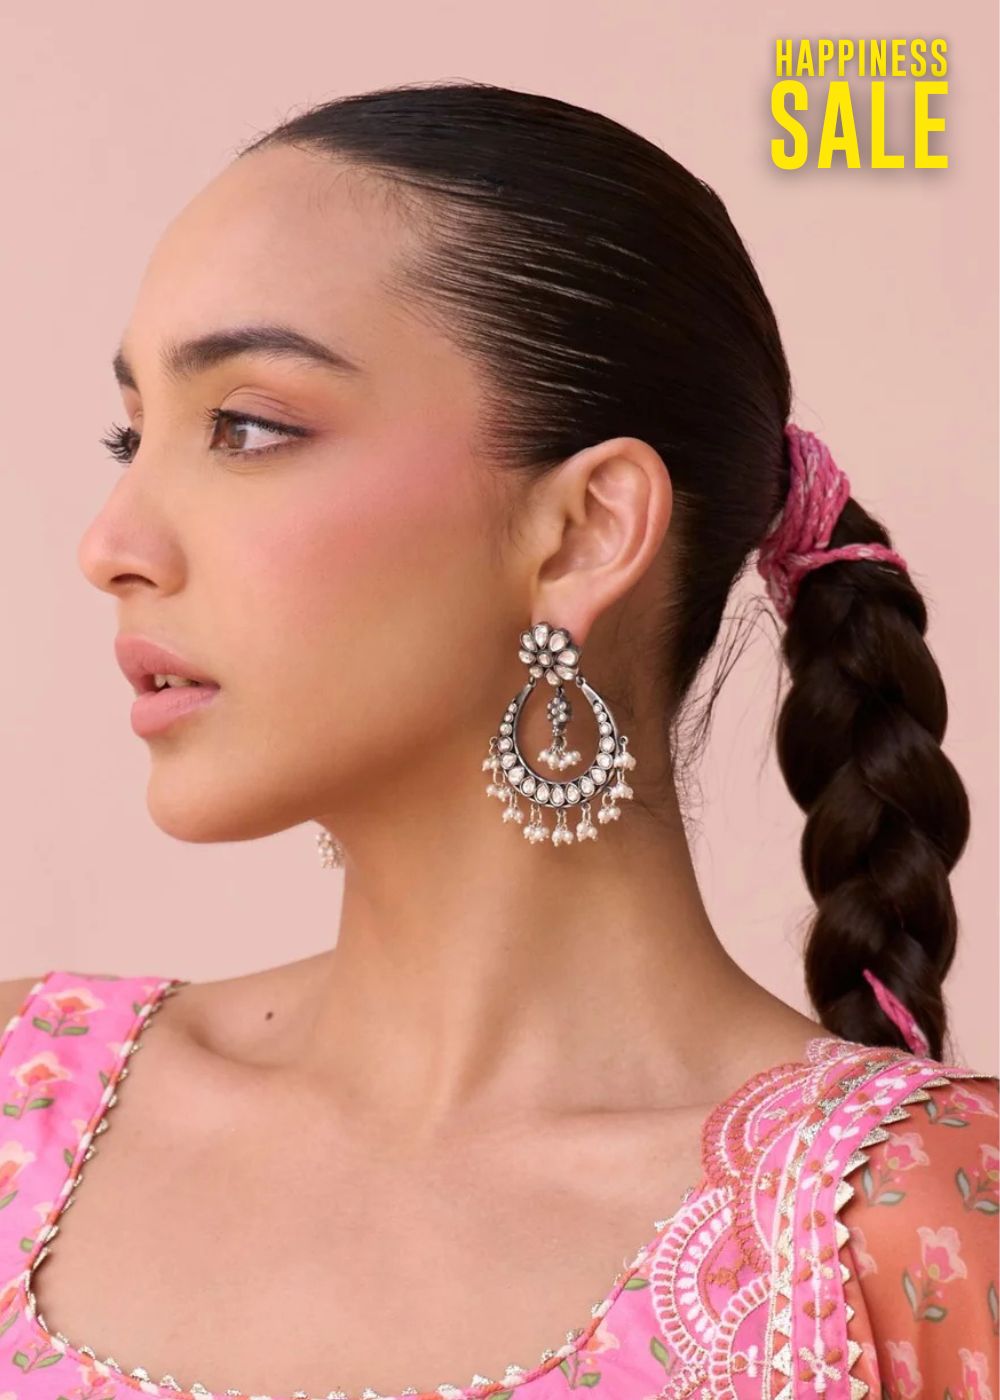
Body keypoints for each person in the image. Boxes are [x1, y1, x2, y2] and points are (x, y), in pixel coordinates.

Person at [0, 80, 996, 1400]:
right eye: (134, 435)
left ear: (584, 531)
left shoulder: (914, 1222)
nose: (111, 544)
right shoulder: (21, 1109)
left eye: (246, 427)